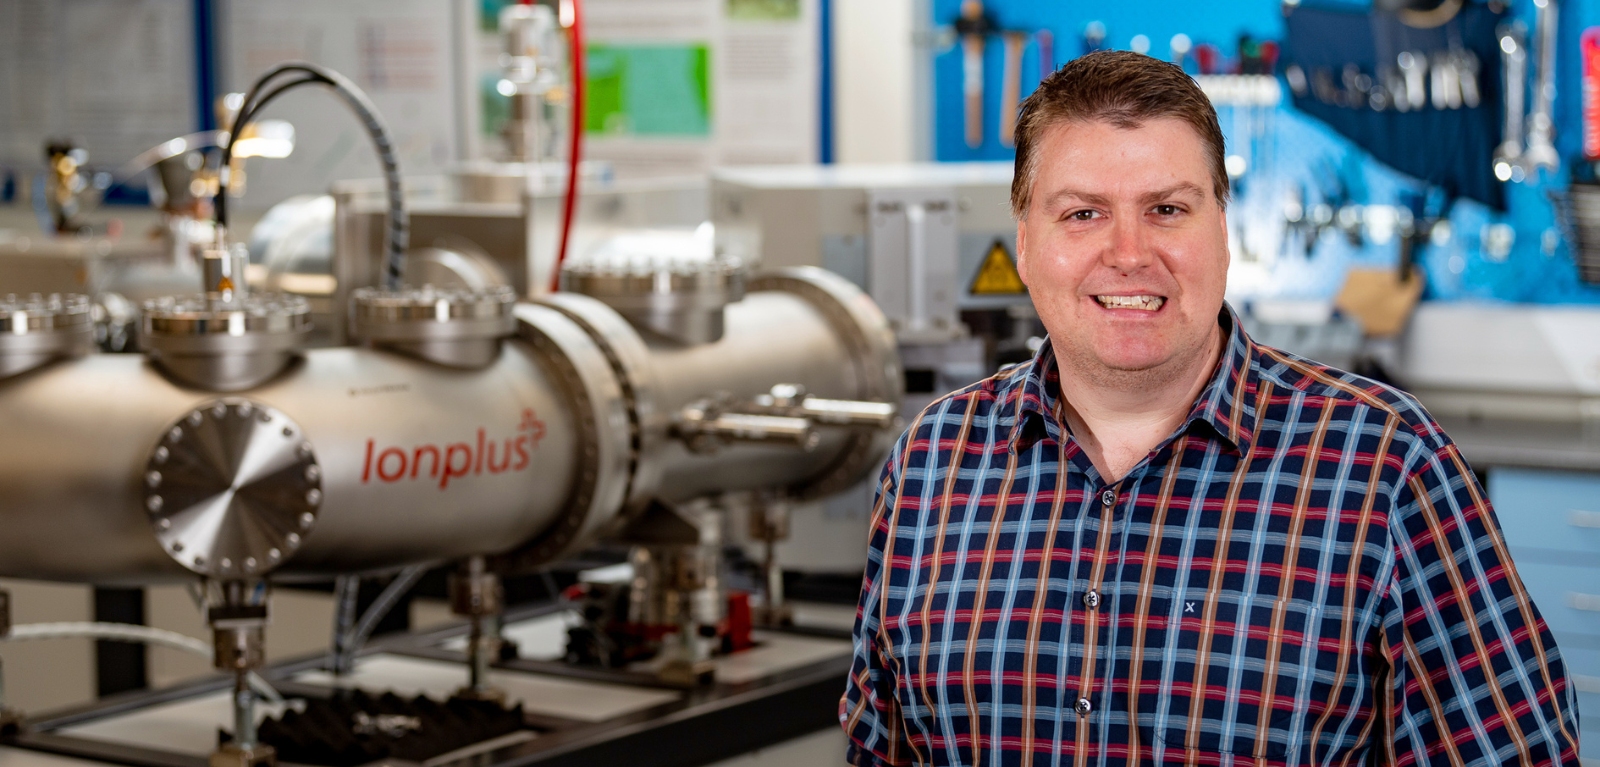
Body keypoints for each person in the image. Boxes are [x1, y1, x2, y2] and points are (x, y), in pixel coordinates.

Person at [840, 50, 1579, 766]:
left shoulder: (1386, 467)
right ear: (1026, 246)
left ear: (1223, 234)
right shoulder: (932, 464)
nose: (1129, 253)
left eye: (1166, 209)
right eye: (1083, 213)